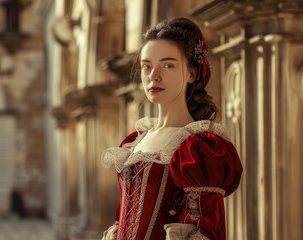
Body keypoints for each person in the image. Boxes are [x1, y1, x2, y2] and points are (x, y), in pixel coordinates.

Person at [101, 18, 243, 240]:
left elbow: (206, 231)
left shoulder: (198, 149)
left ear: (192, 73)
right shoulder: (134, 142)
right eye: (147, 66)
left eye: (168, 65)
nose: (153, 76)